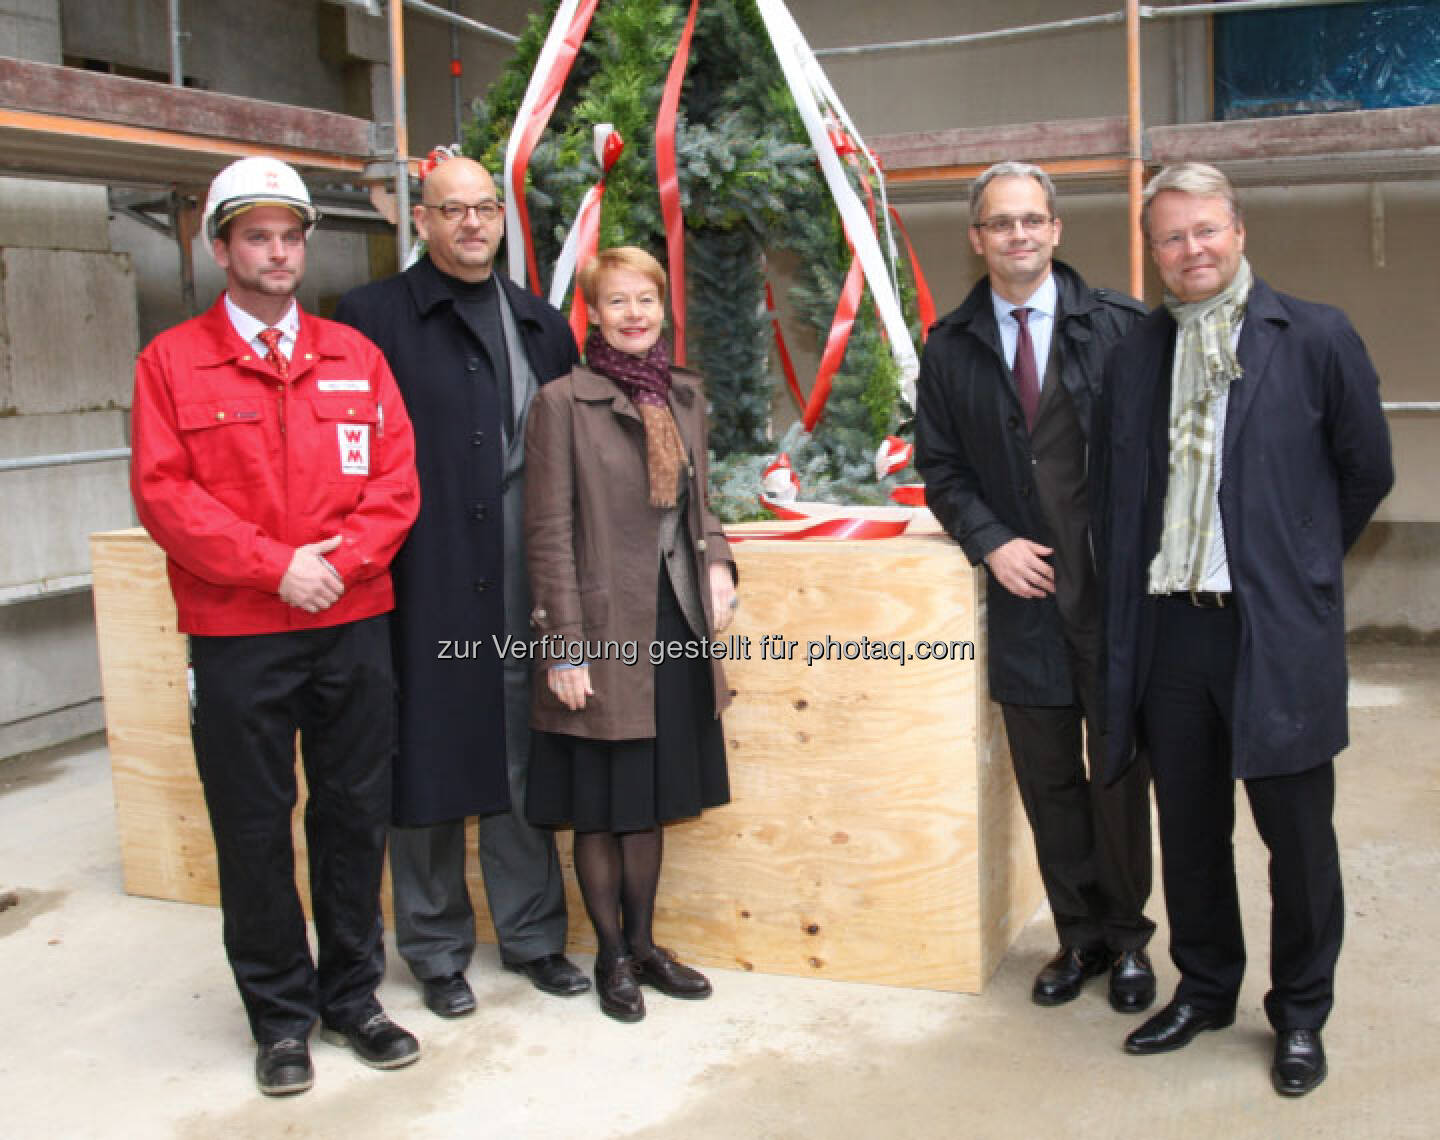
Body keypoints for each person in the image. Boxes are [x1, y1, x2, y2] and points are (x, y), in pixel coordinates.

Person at [129, 156, 421, 1096]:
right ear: (219, 249)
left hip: (352, 619)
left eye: (291, 237)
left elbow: (395, 484)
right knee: (253, 826)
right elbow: (164, 494)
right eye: (257, 237)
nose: (279, 253)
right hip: (237, 630)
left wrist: (334, 566)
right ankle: (280, 1018)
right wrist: (274, 566)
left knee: (353, 813)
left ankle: (352, 999)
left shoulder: (355, 357)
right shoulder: (171, 363)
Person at [1101, 162, 1393, 1096]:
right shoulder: (1138, 352)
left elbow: (1366, 471)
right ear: (1152, 253)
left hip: (1273, 633)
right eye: (1172, 237)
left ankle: (1301, 1013)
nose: (1192, 249)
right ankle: (1207, 990)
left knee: (1297, 838)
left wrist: (1298, 562)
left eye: (1206, 230)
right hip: (1169, 633)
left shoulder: (1313, 336)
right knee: (1188, 830)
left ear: (1239, 231)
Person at [333, 155, 587, 1020]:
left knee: (524, 748)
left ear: (501, 221)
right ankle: (436, 950)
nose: (472, 224)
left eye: (486, 209)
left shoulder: (543, 324)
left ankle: (533, 938)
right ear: (423, 222)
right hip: (422, 570)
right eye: (453, 210)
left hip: (527, 574)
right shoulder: (369, 321)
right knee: (427, 757)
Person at [914, 161, 1157, 1014]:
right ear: (977, 239)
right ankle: (1079, 937)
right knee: (1049, 778)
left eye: (1032, 220)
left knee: (1118, 775)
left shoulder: (1125, 329)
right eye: (999, 223)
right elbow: (940, 469)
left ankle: (1130, 941)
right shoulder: (951, 348)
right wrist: (990, 542)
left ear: (1056, 230)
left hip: (1115, 598)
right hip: (1024, 602)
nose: (1018, 235)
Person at [523, 246, 737, 1023]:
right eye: (617, 302)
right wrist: (563, 645)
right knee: (603, 803)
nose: (635, 315)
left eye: (646, 299)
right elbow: (546, 533)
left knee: (648, 798)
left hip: (673, 624)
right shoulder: (560, 404)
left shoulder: (682, 395)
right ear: (594, 313)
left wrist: (719, 564)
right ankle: (610, 953)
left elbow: (700, 505)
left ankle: (646, 945)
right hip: (603, 629)